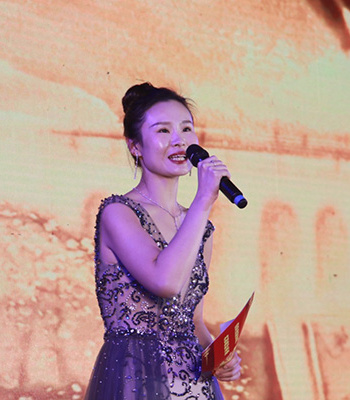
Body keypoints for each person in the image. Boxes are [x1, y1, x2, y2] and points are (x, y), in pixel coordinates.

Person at [84, 82, 242, 400]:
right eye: (163, 130)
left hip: (193, 385)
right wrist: (203, 199)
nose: (179, 140)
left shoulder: (200, 227)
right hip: (135, 377)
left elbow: (191, 319)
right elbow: (165, 282)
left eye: (186, 129)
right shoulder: (118, 212)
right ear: (135, 147)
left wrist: (219, 355)